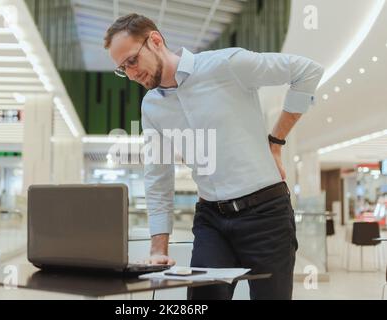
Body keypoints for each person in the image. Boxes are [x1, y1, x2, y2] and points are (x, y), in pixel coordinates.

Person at [104, 13, 324, 300]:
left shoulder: (227, 64)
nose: (131, 74)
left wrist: (276, 141)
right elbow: (158, 176)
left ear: (155, 41)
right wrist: (159, 248)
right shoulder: (151, 107)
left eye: (132, 61)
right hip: (211, 220)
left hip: (267, 215)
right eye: (122, 69)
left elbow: (307, 71)